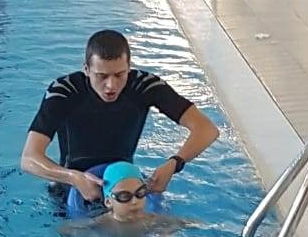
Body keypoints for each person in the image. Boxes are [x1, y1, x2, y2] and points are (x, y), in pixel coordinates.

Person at [21, 27, 218, 205]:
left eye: (119, 75)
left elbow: (207, 129)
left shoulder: (144, 86)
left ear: (129, 68)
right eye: (102, 76)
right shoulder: (65, 91)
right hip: (70, 190)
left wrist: (174, 163)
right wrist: (73, 177)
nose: (111, 86)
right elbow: (29, 159)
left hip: (124, 187)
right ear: (87, 69)